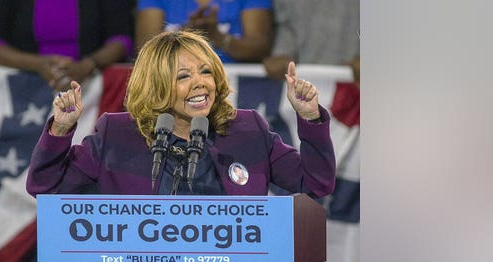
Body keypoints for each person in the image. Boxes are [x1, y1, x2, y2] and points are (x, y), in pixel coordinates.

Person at [26, 30, 335, 198]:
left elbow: (315, 184)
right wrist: (60, 131)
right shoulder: (116, 135)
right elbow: (46, 189)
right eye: (183, 76)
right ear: (157, 85)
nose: (200, 83)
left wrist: (310, 119)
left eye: (205, 72)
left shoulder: (247, 129)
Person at [0, 0, 134, 91]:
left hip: (91, 90)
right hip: (22, 92)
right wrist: (37, 64)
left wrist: (88, 64)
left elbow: (122, 41)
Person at [134, 0, 273, 63]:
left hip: (235, 93)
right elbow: (144, 51)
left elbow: (260, 48)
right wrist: (188, 33)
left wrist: (217, 36)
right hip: (171, 90)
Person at [263, 0, 360, 85]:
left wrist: (371, 57)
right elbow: (286, 27)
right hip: (302, 89)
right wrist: (281, 54)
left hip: (359, 89)